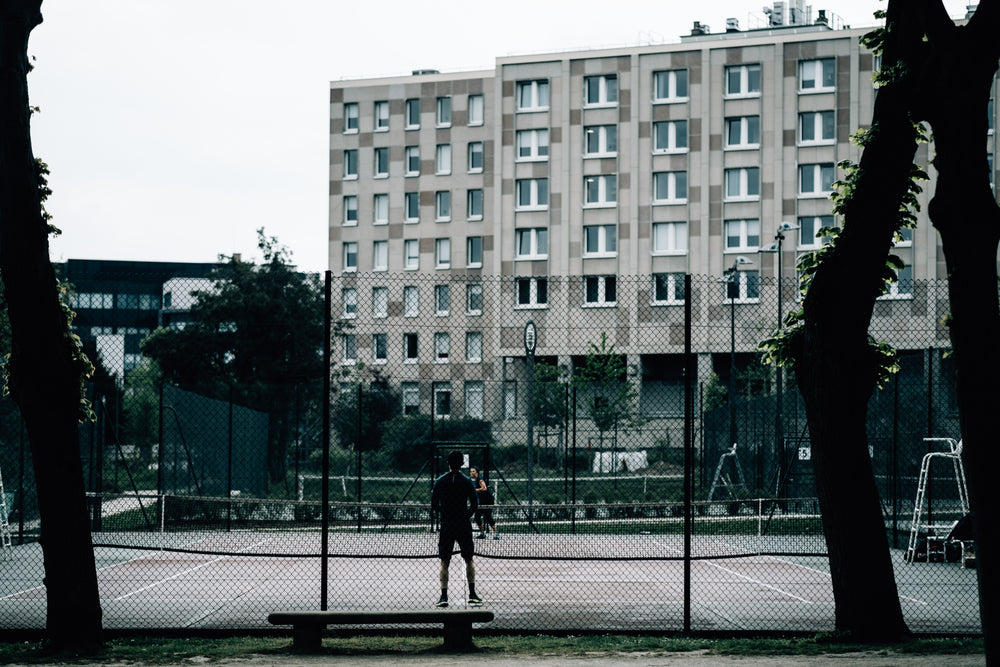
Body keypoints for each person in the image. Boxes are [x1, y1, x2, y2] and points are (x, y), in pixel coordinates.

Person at [431, 450, 482, 607]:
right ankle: (472, 594)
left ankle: (443, 596)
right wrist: (465, 515)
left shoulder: (440, 481)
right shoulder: (467, 482)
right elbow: (474, 504)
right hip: (463, 525)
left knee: (444, 561)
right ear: (462, 464)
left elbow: (434, 505)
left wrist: (445, 513)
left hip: (447, 525)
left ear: (448, 463)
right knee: (469, 559)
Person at [470, 467, 499, 540]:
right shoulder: (475, 480)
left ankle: (496, 533)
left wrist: (476, 490)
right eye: (471, 471)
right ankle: (482, 533)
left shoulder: (479, 479)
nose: (471, 473)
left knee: (488, 516)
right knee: (477, 517)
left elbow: (484, 488)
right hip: (482, 501)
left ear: (477, 472)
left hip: (488, 500)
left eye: (473, 471)